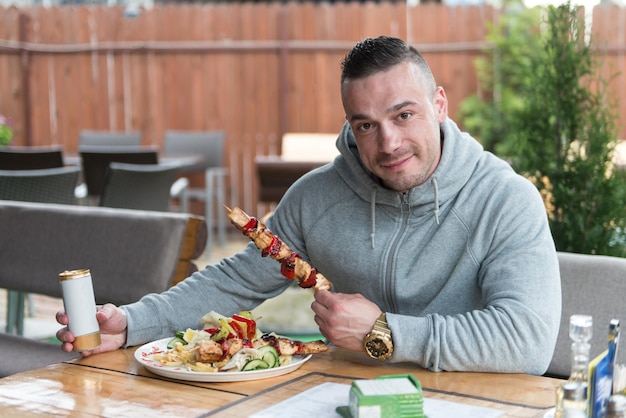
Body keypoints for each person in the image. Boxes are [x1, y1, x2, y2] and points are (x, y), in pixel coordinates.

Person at [57, 36, 561, 374]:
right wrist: (132, 323)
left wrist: (386, 332)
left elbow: (528, 341)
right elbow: (233, 280)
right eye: (366, 124)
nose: (388, 143)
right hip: (347, 395)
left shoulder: (505, 199)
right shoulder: (318, 196)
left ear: (440, 106)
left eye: (404, 115)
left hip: (474, 401)